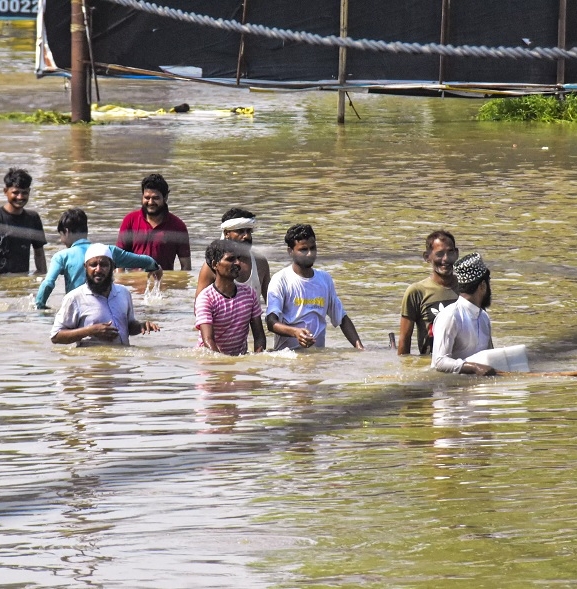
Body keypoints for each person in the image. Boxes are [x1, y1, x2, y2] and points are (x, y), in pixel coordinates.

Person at [36, 208, 163, 309]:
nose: (61, 240)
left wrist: (40, 306)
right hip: (105, 307)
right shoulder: (108, 251)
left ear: (67, 231)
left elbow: (48, 284)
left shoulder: (62, 256)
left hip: (77, 308)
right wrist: (154, 266)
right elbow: (144, 260)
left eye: (61, 235)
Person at [266, 223, 364, 351]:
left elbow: (342, 319)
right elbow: (271, 322)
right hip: (288, 359)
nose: (310, 254)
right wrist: (295, 332)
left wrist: (360, 348)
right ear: (290, 252)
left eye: (313, 248)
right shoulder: (280, 279)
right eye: (303, 250)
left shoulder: (324, 279)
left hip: (319, 356)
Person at [51, 243, 159, 346]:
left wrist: (142, 326)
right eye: (93, 265)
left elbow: (128, 326)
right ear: (85, 267)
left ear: (112, 266)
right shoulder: (74, 298)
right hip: (91, 362)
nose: (98, 269)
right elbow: (56, 336)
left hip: (122, 362)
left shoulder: (124, 293)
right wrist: (90, 330)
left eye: (104, 265)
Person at [195, 239, 266, 355]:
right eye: (230, 259)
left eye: (238, 258)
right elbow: (208, 341)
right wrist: (224, 366)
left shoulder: (249, 294)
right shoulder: (206, 298)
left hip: (238, 360)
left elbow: (259, 337)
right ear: (214, 264)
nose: (237, 263)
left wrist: (256, 361)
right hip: (210, 362)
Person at [431, 252, 495, 375]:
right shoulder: (450, 316)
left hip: (478, 390)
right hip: (450, 391)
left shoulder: (484, 318)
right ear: (483, 286)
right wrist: (474, 367)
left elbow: (490, 357)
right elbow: (439, 362)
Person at [398, 230, 460, 355]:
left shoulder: (468, 288)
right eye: (439, 254)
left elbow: (481, 331)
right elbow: (404, 340)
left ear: (457, 253)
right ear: (427, 257)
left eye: (450, 252)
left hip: (465, 365)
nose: (445, 259)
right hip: (432, 366)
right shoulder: (416, 292)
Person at [116, 173, 191, 271]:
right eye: (147, 198)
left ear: (165, 198)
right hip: (134, 283)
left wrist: (176, 285)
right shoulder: (130, 220)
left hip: (163, 283)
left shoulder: (178, 227)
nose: (151, 202)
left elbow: (186, 267)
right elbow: (118, 260)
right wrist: (122, 282)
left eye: (156, 198)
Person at [195, 208, 271, 302]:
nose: (246, 236)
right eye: (240, 231)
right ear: (227, 233)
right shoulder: (212, 265)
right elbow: (199, 306)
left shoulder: (260, 262)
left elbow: (271, 302)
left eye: (248, 231)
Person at [0, 168, 47, 274]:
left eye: (24, 193)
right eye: (15, 192)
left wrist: (43, 277)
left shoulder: (32, 218)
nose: (20, 197)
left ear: (29, 192)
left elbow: (39, 253)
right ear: (5, 191)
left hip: (21, 280)